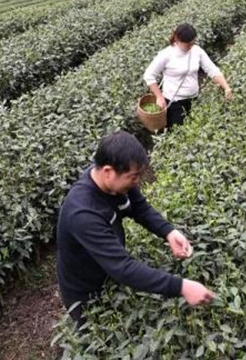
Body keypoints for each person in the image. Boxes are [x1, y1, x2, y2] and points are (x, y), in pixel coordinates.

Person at [56, 131, 216, 327]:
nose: (137, 182)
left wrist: (169, 232)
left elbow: (139, 207)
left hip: (108, 274)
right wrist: (182, 287)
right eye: (133, 177)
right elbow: (123, 268)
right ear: (108, 171)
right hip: (86, 292)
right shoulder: (83, 213)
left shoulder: (115, 181)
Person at [143, 23, 233, 129]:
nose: (191, 46)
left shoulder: (197, 51)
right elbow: (149, 75)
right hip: (175, 102)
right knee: (177, 132)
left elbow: (212, 70)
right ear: (177, 40)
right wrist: (159, 96)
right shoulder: (166, 54)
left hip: (193, 99)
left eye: (192, 42)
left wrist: (226, 87)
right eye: (187, 44)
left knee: (194, 129)